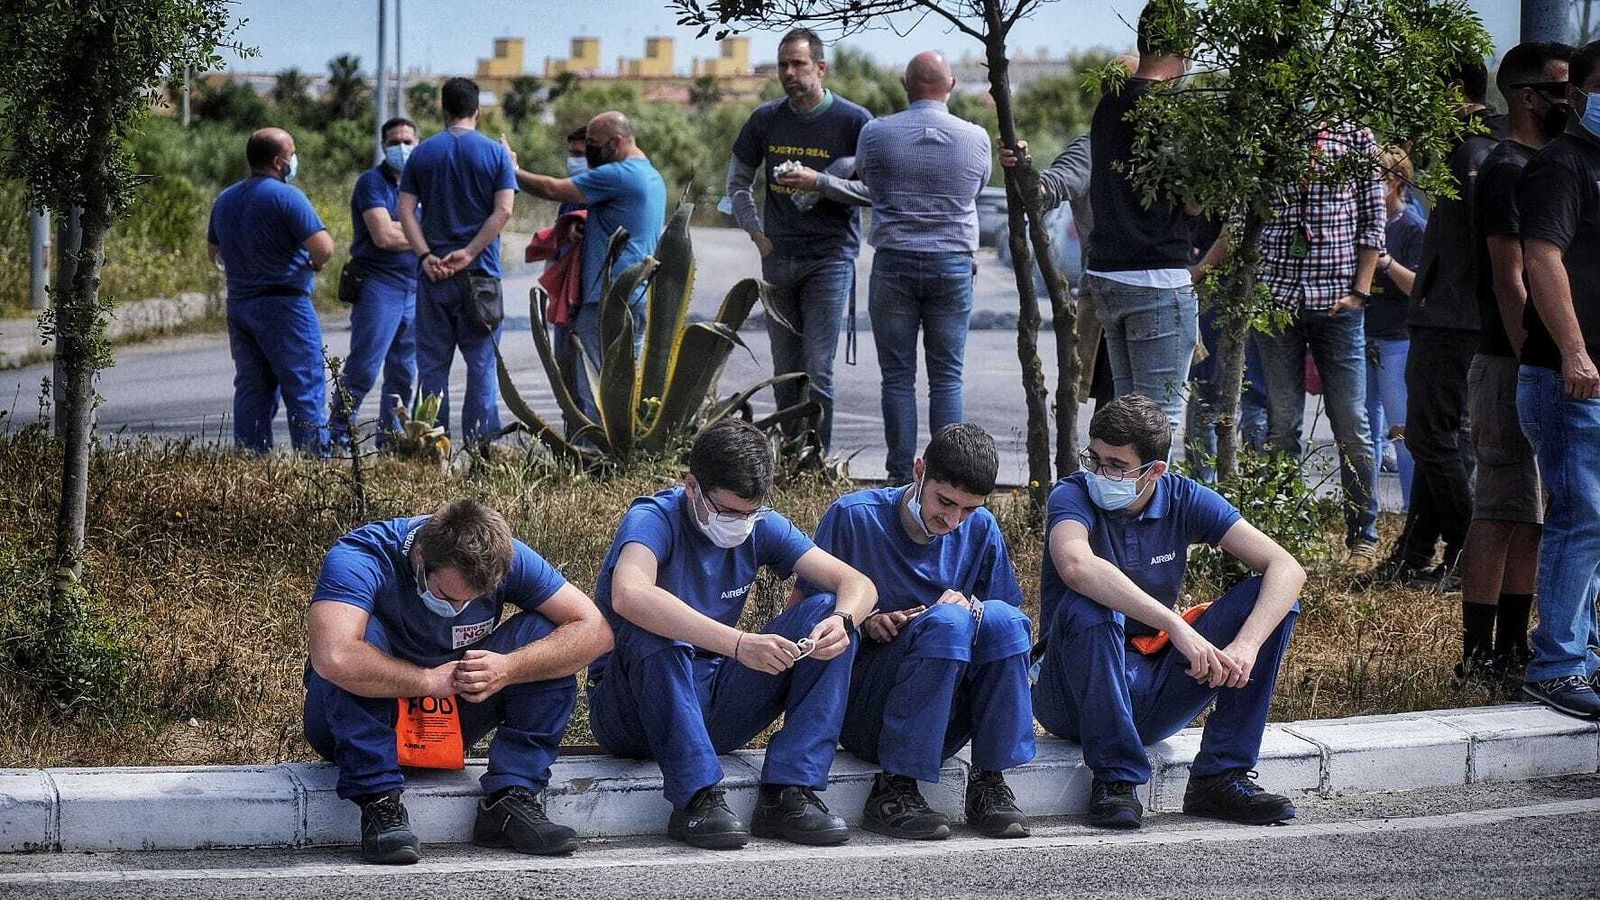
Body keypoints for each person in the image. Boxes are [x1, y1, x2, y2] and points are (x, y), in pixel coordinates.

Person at [586, 419, 877, 848]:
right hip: (634, 711)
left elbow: (859, 585)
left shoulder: (760, 524)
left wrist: (844, 621)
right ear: (692, 486)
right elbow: (629, 594)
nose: (740, 524)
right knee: (653, 627)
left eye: (751, 512)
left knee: (823, 612)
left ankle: (789, 792)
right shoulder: (653, 518)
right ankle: (697, 797)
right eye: (727, 512)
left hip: (713, 701)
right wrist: (739, 644)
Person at [1032, 395, 1305, 829]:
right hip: (1070, 693)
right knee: (1089, 602)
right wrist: (1174, 623)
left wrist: (1246, 646)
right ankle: (1116, 780)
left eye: (1117, 466)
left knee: (1272, 602)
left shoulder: (1183, 497)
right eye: (1095, 459)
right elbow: (1076, 565)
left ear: (1155, 471)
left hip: (1151, 686)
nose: (1101, 474)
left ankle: (1221, 776)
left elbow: (1286, 568)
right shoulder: (1072, 493)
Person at [303, 499, 612, 863]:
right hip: (357, 723)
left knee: (545, 636)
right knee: (359, 638)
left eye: (473, 600)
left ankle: (511, 796)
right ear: (420, 557)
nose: (458, 608)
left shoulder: (509, 558)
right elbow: (334, 656)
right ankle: (378, 802)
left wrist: (508, 668)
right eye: (446, 596)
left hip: (449, 714)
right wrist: (427, 681)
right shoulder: (361, 556)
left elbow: (596, 631)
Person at [809, 423, 1034, 840]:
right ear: (919, 471)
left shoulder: (981, 528)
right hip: (866, 710)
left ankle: (989, 780)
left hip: (944, 712)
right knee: (947, 624)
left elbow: (1008, 629)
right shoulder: (854, 518)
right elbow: (809, 617)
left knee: (1001, 619)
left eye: (968, 509)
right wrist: (864, 621)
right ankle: (894, 788)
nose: (952, 520)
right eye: (944, 502)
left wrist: (974, 609)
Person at [814, 51, 990, 484]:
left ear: (904, 84)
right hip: (952, 264)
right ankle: (950, 476)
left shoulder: (876, 133)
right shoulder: (976, 137)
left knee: (897, 377)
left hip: (894, 262)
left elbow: (867, 184)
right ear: (950, 84)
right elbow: (978, 188)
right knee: (947, 376)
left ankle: (899, 476)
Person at [1459, 41, 1573, 685]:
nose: (1573, 99)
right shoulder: (1506, 167)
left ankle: (1511, 645)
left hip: (1536, 362)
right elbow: (1511, 277)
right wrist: (1535, 358)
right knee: (1500, 508)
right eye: (1562, 88)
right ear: (1530, 96)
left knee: (1531, 514)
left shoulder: (1548, 163)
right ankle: (1477, 655)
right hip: (1512, 362)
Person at [1388, 56, 1506, 587]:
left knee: (1435, 443)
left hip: (1455, 319)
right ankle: (1415, 551)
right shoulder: (1471, 149)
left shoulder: (1477, 154)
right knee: (1437, 442)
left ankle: (1466, 549)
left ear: (1455, 90)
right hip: (1453, 316)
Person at [727, 28, 873, 451]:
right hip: (778, 256)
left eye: (799, 64)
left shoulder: (853, 120)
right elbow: (737, 182)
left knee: (818, 368)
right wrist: (756, 233)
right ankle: (789, 452)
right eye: (783, 65)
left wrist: (821, 182)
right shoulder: (765, 119)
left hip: (829, 257)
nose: (789, 73)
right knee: (785, 366)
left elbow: (874, 191)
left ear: (821, 68)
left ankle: (816, 457)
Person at [1511, 39, 1600, 719]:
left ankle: (1584, 655)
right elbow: (1541, 260)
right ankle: (1558, 666)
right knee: (1580, 518)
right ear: (1578, 96)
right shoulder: (1561, 167)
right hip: (1572, 378)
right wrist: (1574, 352)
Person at [1255, 122, 1385, 558]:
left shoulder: (1356, 137)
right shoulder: (1270, 129)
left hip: (1338, 302)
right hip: (1277, 300)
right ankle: (1282, 532)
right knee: (1282, 423)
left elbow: (1373, 217)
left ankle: (1363, 535)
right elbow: (1245, 213)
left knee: (1352, 424)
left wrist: (1360, 292)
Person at [1082, 3, 1202, 440]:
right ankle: (1157, 510)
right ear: (1186, 47)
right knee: (1158, 425)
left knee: (1125, 421)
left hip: (1108, 271)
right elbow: (1192, 202)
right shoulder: (1172, 111)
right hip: (1156, 274)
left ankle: (1119, 507)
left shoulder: (1109, 104)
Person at [507, 111, 667, 423]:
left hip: (605, 299)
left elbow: (553, 188)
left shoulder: (621, 174)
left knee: (589, 386)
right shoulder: (651, 175)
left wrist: (512, 168)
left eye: (593, 144)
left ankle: (592, 459)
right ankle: (619, 456)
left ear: (616, 143)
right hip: (636, 295)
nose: (590, 151)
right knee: (622, 385)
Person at [397, 77, 517, 446]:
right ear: (477, 111)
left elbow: (405, 211)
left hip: (434, 277)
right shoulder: (495, 154)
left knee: (432, 367)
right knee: (481, 367)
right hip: (480, 275)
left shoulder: (423, 153)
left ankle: (434, 449)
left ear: (443, 109)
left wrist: (426, 255)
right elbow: (504, 211)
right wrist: (470, 251)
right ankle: (482, 449)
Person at [207, 127, 334, 456]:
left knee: (252, 388)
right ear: (279, 161)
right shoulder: (286, 196)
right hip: (286, 305)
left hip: (241, 304)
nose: (294, 159)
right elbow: (324, 247)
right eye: (292, 153)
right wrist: (314, 263)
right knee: (304, 387)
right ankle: (314, 463)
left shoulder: (226, 199)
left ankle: (251, 460)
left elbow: (214, 253)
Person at [331, 116, 421, 447]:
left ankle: (392, 441)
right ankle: (338, 437)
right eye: (394, 142)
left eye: (407, 141)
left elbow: (401, 232)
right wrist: (427, 237)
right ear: (384, 147)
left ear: (418, 143)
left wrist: (407, 232)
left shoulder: (420, 183)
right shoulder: (372, 183)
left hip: (413, 286)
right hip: (378, 285)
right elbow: (383, 235)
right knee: (364, 369)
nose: (402, 147)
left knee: (403, 373)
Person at [1366, 147, 1426, 508]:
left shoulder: (1412, 227)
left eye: (1379, 178)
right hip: (1363, 333)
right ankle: (1366, 509)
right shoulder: (1363, 221)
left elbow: (1418, 286)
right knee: (1364, 430)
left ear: (1397, 182)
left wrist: (1386, 262)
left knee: (1401, 429)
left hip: (1397, 340)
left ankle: (1410, 508)